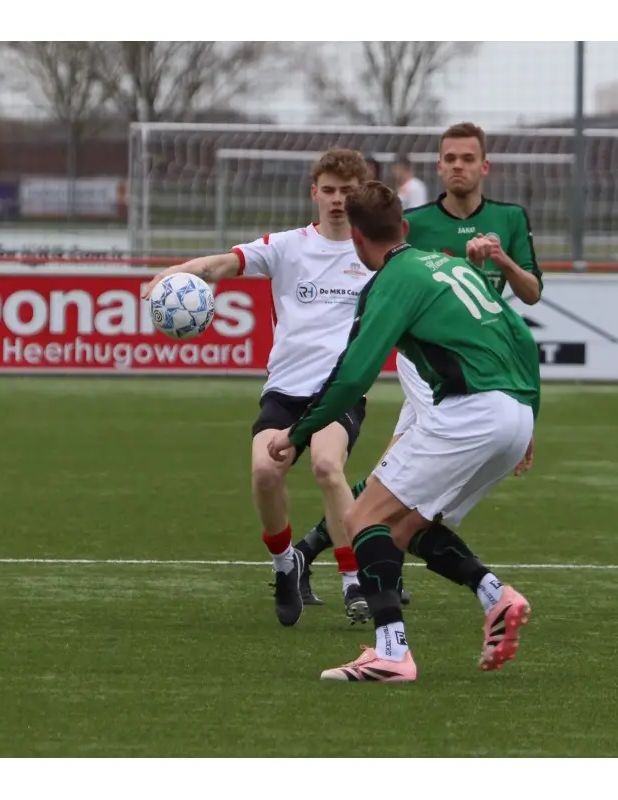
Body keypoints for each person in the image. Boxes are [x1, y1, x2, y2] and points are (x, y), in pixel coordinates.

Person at [266, 182, 541, 682]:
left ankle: (392, 653)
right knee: (405, 526)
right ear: (405, 227)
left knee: (360, 516)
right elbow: (521, 337)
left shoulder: (390, 280)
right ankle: (495, 595)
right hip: (513, 412)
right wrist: (529, 420)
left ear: (356, 238)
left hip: (470, 414)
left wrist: (297, 432)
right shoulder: (454, 266)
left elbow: (353, 375)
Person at [293, 122, 542, 600]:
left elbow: (530, 294)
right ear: (439, 167)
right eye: (449, 158)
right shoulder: (416, 221)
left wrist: (500, 262)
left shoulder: (509, 218)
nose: (457, 166)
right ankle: (393, 577)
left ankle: (328, 557)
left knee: (391, 488)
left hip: (476, 372)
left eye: (467, 158)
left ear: (484, 166)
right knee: (405, 488)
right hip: (433, 365)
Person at [142, 148, 374, 627]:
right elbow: (222, 265)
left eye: (348, 192)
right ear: (314, 193)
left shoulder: (374, 254)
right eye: (329, 190)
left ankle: (354, 580)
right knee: (266, 474)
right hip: (286, 389)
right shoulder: (288, 246)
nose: (337, 200)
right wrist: (173, 273)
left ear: (361, 196)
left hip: (341, 389)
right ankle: (286, 565)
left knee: (327, 465)